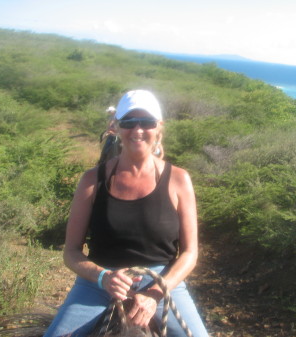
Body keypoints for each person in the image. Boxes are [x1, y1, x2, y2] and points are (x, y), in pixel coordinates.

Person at [44, 89, 209, 337]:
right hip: (99, 282)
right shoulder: (92, 180)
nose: (138, 129)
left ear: (159, 127)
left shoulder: (179, 180)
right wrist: (103, 277)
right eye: (129, 122)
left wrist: (155, 293)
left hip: (163, 281)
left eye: (147, 122)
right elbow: (71, 252)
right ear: (116, 127)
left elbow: (189, 253)